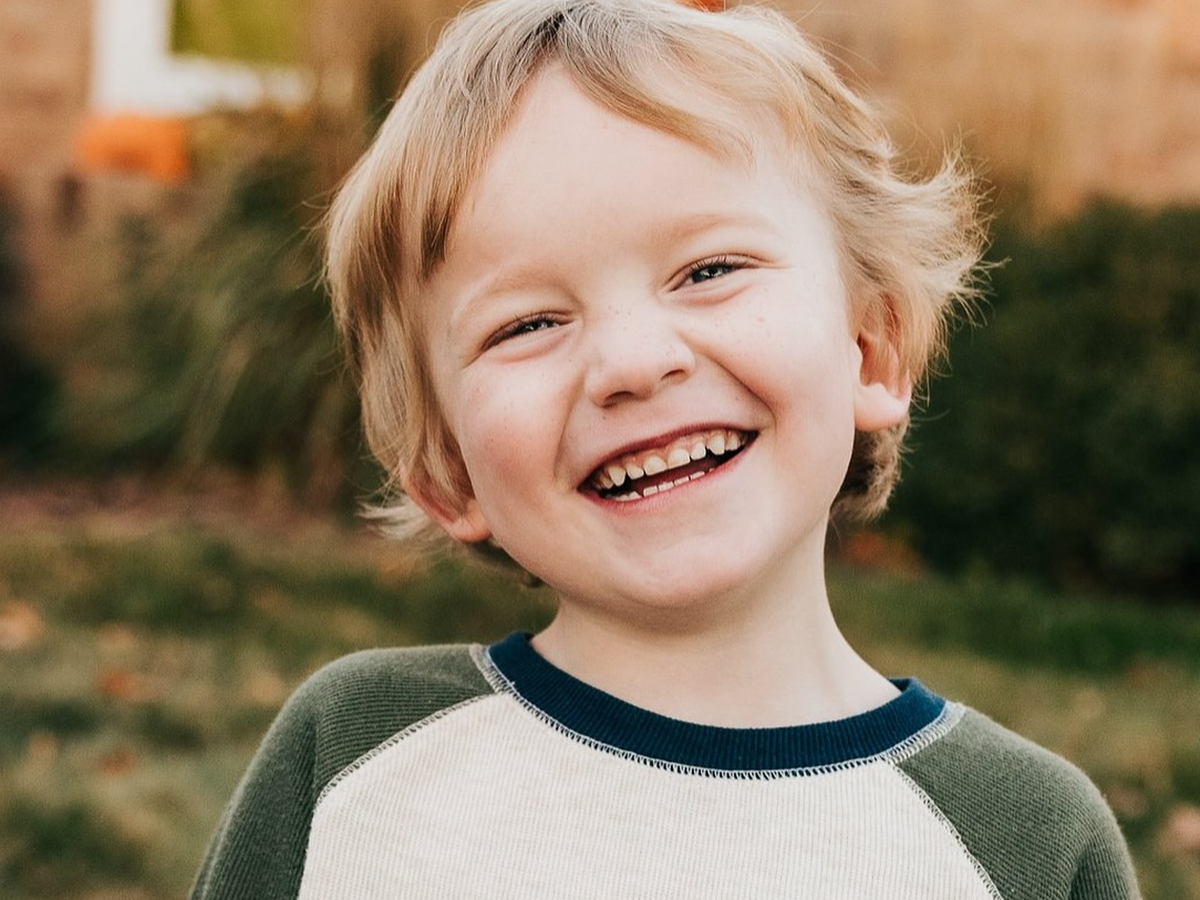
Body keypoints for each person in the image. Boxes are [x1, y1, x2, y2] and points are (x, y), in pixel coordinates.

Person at [190, 0, 1141, 897]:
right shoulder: (354, 757)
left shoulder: (1022, 841)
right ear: (446, 470)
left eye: (710, 270)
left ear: (871, 345)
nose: (634, 363)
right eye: (528, 324)